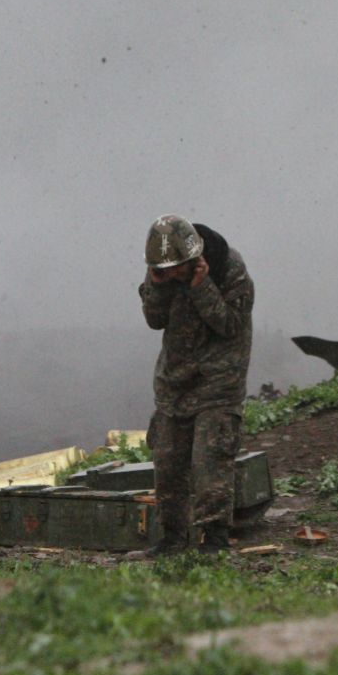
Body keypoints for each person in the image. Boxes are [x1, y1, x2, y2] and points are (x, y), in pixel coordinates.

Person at [138, 214, 254, 555]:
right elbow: (153, 320)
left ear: (194, 260)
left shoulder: (231, 270)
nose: (171, 274)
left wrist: (202, 287)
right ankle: (173, 537)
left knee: (210, 461)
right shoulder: (162, 268)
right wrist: (158, 287)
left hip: (219, 381)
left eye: (177, 269)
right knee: (168, 461)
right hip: (175, 380)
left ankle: (214, 538)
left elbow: (230, 324)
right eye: (165, 270)